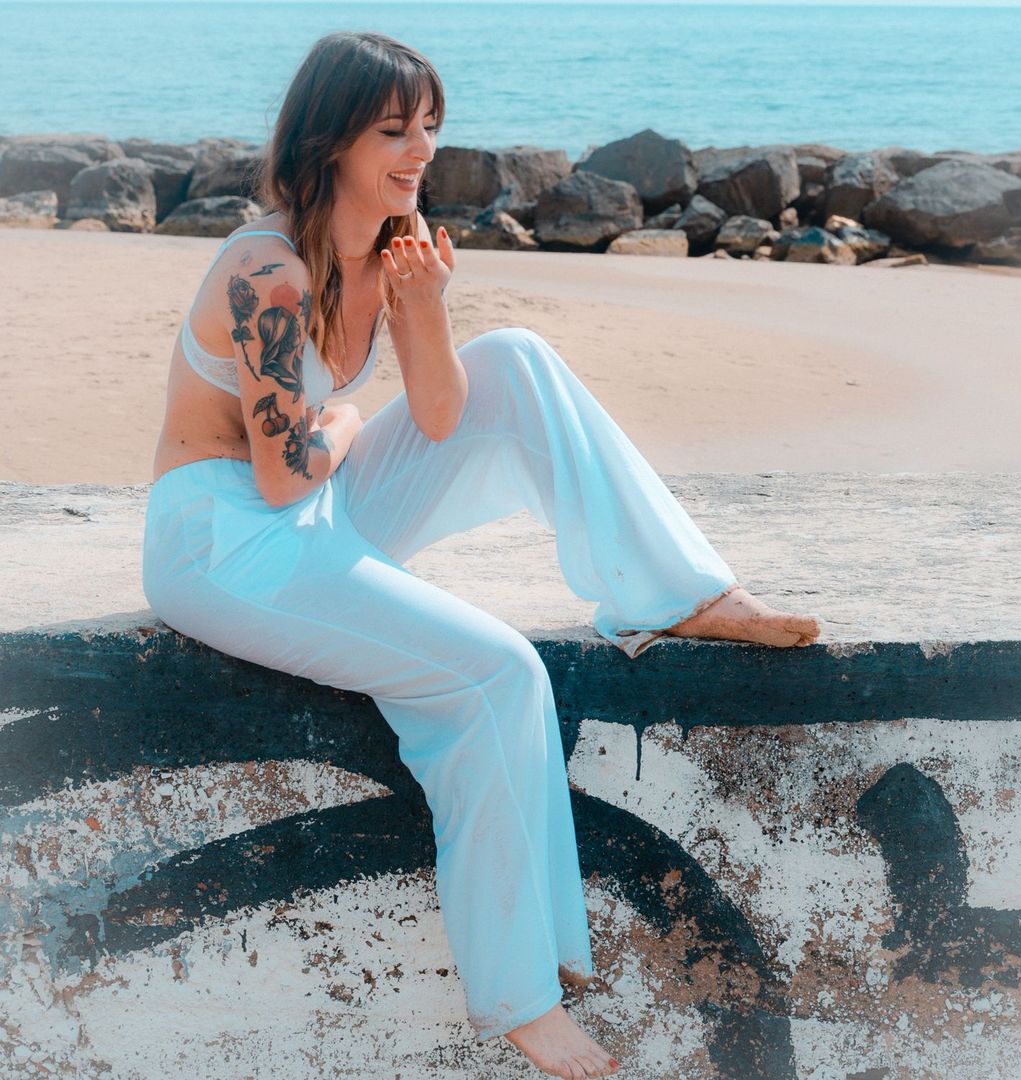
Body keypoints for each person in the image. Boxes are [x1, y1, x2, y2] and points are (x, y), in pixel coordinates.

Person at [142, 29, 820, 1080]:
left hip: (311, 512)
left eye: (429, 126)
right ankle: (518, 996)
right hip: (225, 540)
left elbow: (446, 417)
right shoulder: (265, 271)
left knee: (516, 362)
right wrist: (351, 416)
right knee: (499, 672)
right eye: (393, 130)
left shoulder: (394, 249)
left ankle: (681, 591)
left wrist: (424, 309)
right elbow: (284, 473)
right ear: (329, 141)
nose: (421, 151)